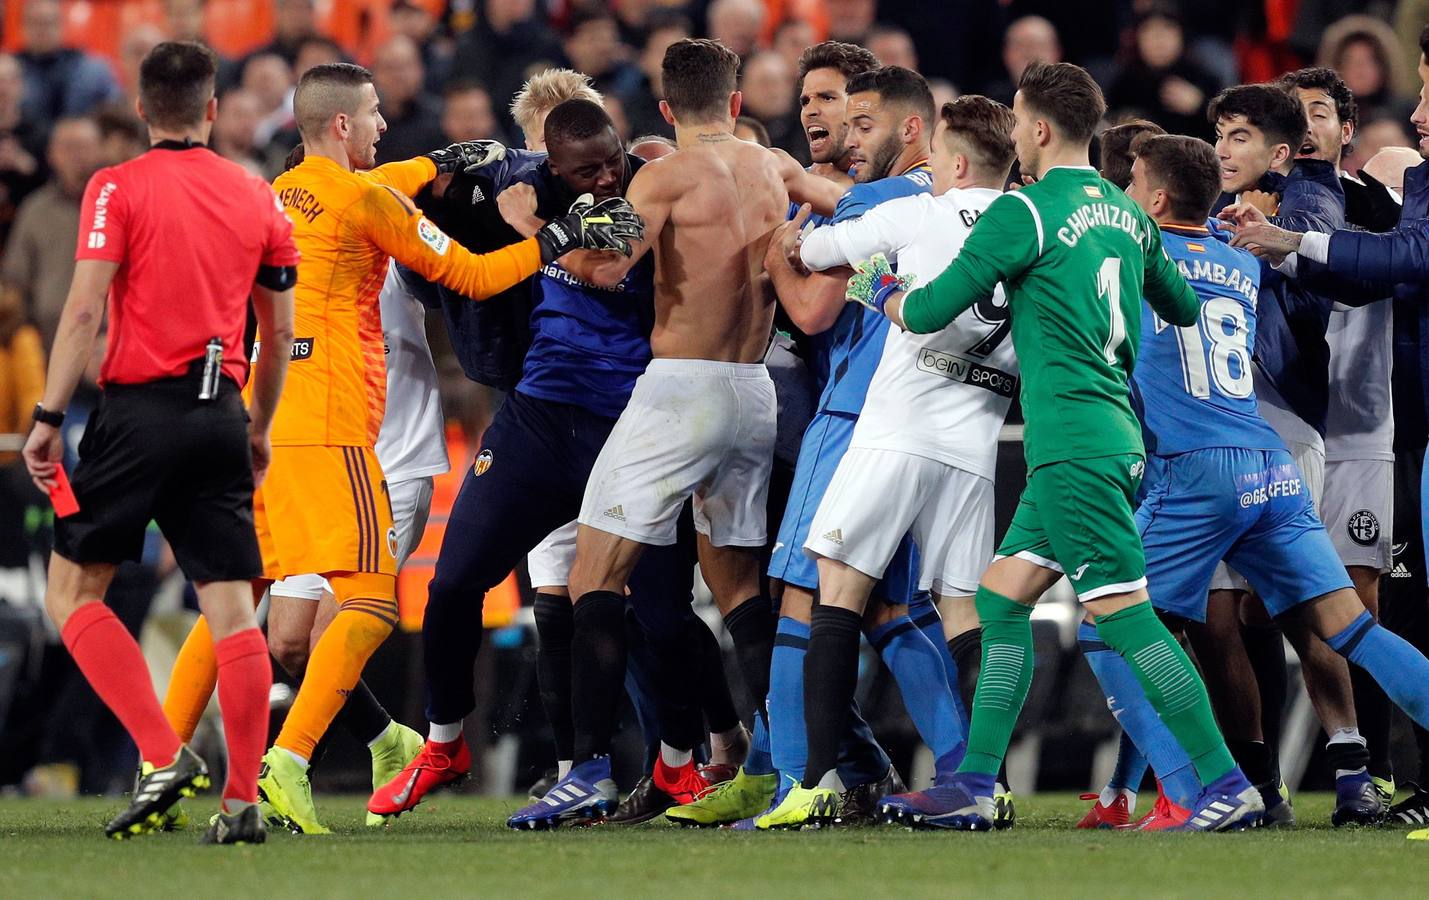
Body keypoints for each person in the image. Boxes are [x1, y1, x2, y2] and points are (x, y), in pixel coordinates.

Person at [158, 62, 640, 836]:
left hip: (265, 418)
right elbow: (472, 278)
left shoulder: (275, 195)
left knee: (239, 589)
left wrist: (444, 162)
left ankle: (162, 758)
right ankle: (286, 764)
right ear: (342, 126)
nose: (387, 125)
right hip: (335, 423)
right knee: (371, 602)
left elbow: (367, 188)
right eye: (375, 113)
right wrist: (552, 233)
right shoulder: (371, 199)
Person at [855, 61, 1261, 833]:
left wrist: (880, 289)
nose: (1010, 134)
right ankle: (974, 780)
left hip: (1073, 442)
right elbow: (1176, 305)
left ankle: (1221, 782)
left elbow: (934, 309)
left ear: (1038, 129)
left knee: (1127, 617)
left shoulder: (1024, 213)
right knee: (1001, 599)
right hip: (1104, 434)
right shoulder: (1127, 213)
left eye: (1014, 120)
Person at [366, 98, 696, 827]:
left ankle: (677, 760)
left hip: (630, 423)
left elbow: (604, 270)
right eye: (588, 168)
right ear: (553, 165)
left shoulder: (645, 189)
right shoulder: (527, 185)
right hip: (539, 415)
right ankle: (446, 743)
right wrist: (443, 172)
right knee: (455, 586)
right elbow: (411, 207)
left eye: (611, 159)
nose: (606, 175)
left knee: (659, 615)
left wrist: (525, 227)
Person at [504, 38, 788, 829]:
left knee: (595, 575)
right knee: (737, 593)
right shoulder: (773, 168)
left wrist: (542, 230)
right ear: (736, 103)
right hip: (753, 389)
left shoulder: (662, 175)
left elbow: (607, 268)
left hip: (681, 389)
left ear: (665, 110)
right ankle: (791, 767)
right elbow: (835, 205)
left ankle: (587, 770)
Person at [21, 41, 299, 845]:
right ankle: (242, 801)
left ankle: (161, 754)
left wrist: (47, 416)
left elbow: (80, 314)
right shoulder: (256, 196)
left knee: (71, 596)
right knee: (231, 613)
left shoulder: (115, 187)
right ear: (214, 110)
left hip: (137, 416)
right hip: (221, 415)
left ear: (142, 111)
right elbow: (280, 337)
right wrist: (258, 427)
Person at [762, 96, 1019, 829]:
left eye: (937, 155)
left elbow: (812, 256)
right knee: (963, 609)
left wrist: (800, 243)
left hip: (896, 430)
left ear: (958, 161)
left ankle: (810, 787)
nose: (928, 167)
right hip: (974, 442)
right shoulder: (1027, 225)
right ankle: (980, 781)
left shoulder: (918, 212)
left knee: (832, 595)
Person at [1226, 27, 1429, 840]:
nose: (1305, 128)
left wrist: (1289, 244)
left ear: (1345, 127)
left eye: (1318, 112)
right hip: (1293, 426)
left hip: (1367, 431)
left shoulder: (1384, 202)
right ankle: (1267, 777)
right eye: (1292, 115)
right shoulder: (1243, 213)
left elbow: (1390, 264)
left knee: (1357, 599)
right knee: (1256, 610)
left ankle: (1375, 772)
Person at [1, 116, 102, 348]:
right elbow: (15, 279)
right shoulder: (35, 210)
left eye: (84, 147)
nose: (77, 155)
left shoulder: (117, 203)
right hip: (45, 340)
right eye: (68, 147)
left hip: (105, 340)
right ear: (51, 154)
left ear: (99, 151)